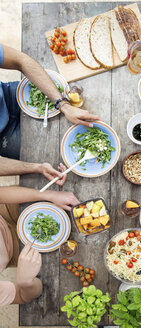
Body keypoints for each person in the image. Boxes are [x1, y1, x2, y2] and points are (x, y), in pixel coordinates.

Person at [0, 156, 79, 306]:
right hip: (15, 252)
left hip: (4, 209)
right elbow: (24, 296)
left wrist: (47, 193)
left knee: (68, 194)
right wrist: (25, 282)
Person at [0, 44, 99, 159]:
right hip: (4, 136)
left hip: (7, 95)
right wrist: (38, 168)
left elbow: (21, 60)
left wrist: (64, 105)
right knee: (49, 155)